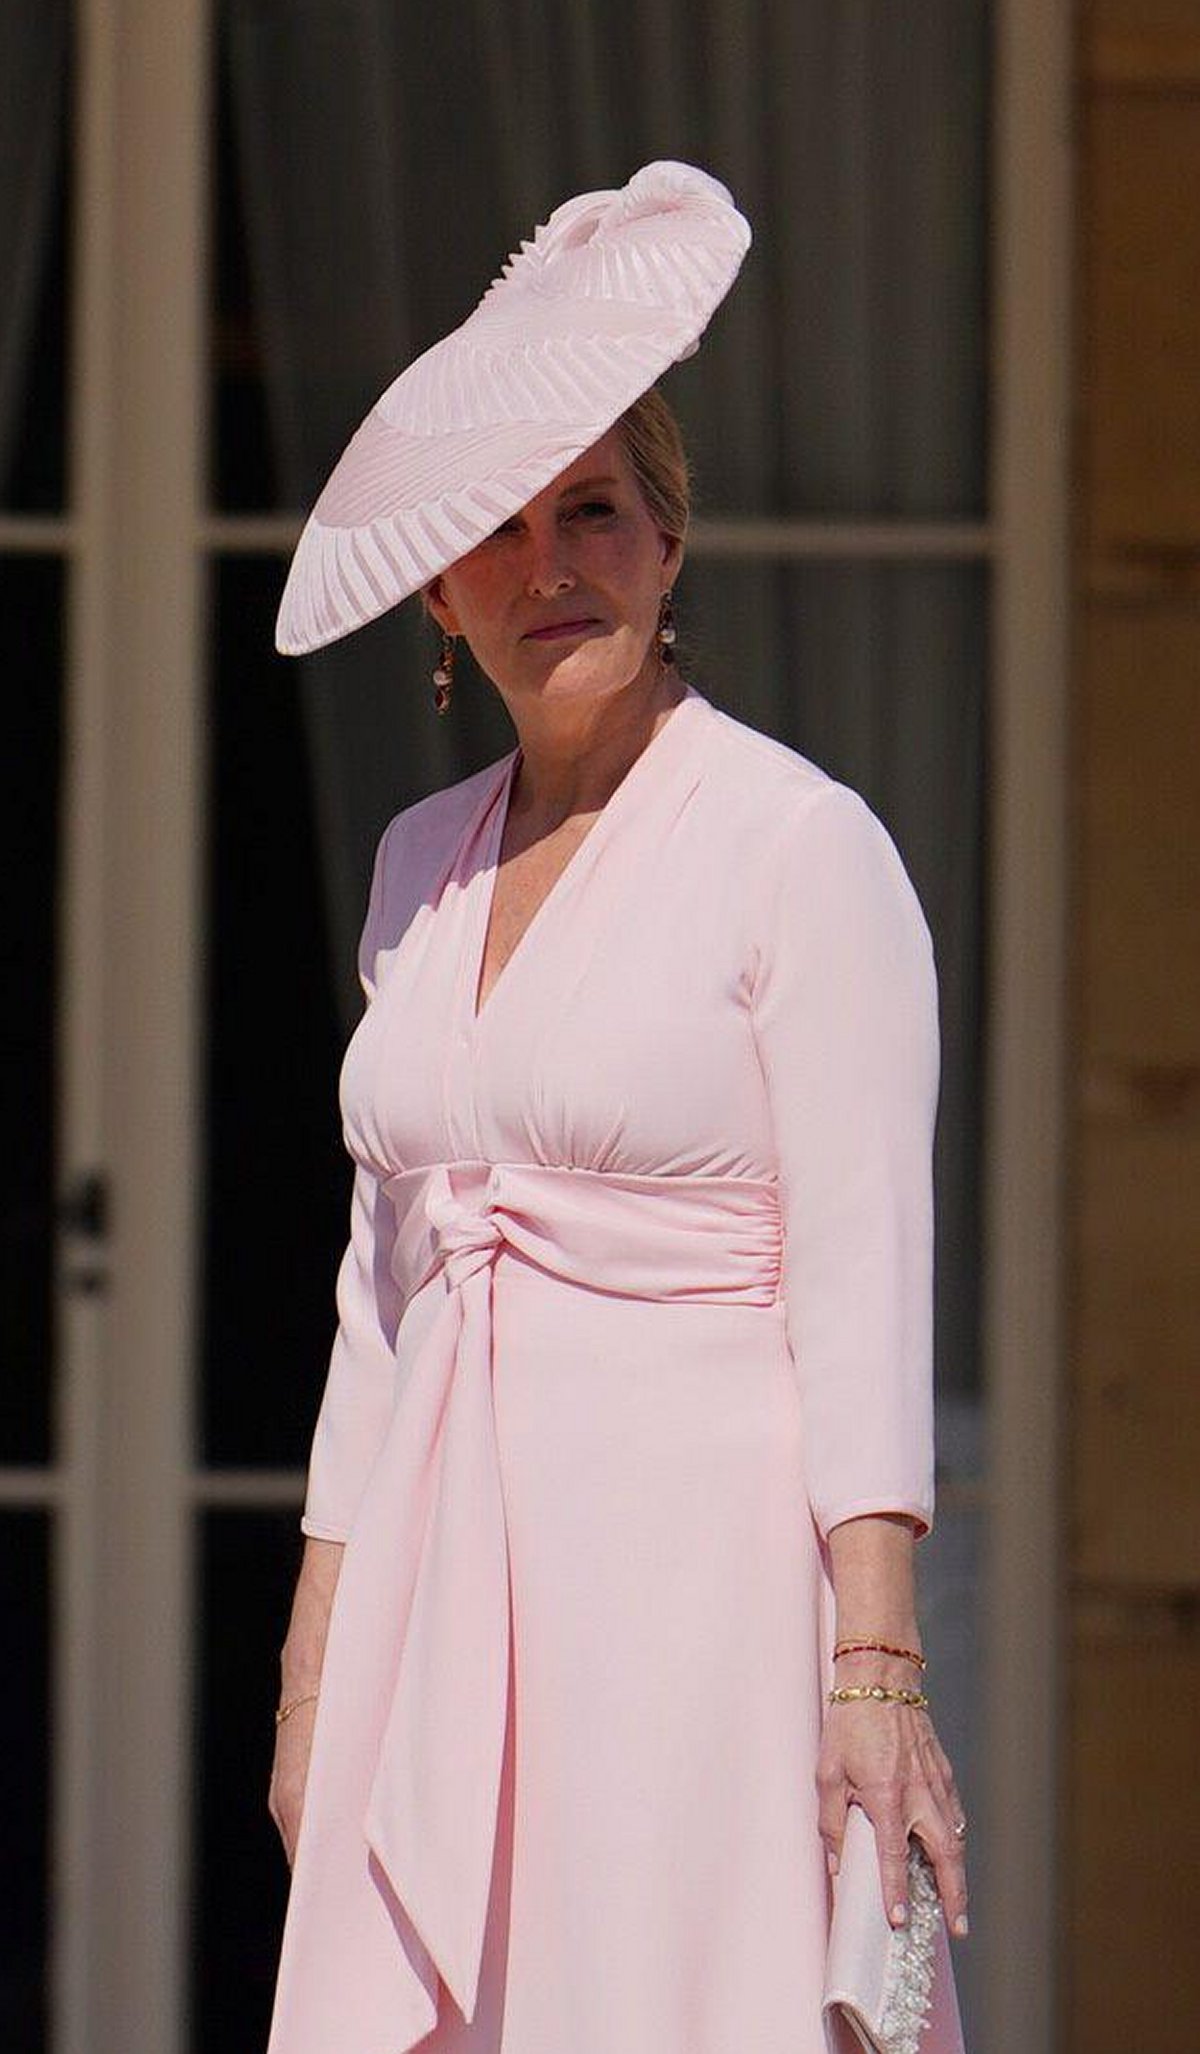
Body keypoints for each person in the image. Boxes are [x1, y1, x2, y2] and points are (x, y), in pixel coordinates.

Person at [264, 162, 969, 2054]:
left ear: (670, 547)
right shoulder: (421, 858)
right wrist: (319, 1656)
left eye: (595, 511)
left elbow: (865, 1277)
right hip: (445, 1610)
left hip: (698, 1614)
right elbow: (380, 1291)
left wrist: (876, 1669)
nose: (548, 564)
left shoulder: (798, 848)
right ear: (440, 587)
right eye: (497, 529)